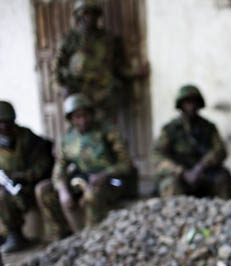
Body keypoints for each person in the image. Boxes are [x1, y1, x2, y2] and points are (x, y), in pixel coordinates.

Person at [36, 93, 135, 236]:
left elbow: (126, 164)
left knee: (91, 195)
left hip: (112, 180)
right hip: (82, 180)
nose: (82, 121)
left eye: (85, 115)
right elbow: (59, 169)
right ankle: (63, 234)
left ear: (92, 115)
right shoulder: (68, 139)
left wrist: (105, 174)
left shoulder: (107, 131)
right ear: (70, 119)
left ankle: (92, 236)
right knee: (44, 189)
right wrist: (63, 190)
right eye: (77, 117)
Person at [55, 0, 148, 122]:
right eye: (85, 13)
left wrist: (136, 73)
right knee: (81, 132)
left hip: (104, 95)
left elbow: (118, 68)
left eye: (93, 14)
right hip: (78, 95)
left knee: (106, 132)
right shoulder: (70, 40)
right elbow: (57, 70)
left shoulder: (109, 39)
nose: (89, 17)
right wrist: (63, 89)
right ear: (78, 16)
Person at [153, 85, 231, 199]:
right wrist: (181, 172)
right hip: (180, 176)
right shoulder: (170, 130)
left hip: (204, 174)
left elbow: (220, 150)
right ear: (181, 105)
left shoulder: (209, 128)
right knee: (169, 185)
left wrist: (201, 167)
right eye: (187, 102)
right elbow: (157, 156)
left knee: (222, 180)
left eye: (194, 102)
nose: (191, 106)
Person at [0, 101, 54, 252]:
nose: (4, 127)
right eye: (0, 123)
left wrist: (22, 176)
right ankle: (12, 235)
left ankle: (16, 236)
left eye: (7, 122)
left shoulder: (28, 139)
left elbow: (43, 165)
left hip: (29, 185)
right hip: (8, 187)